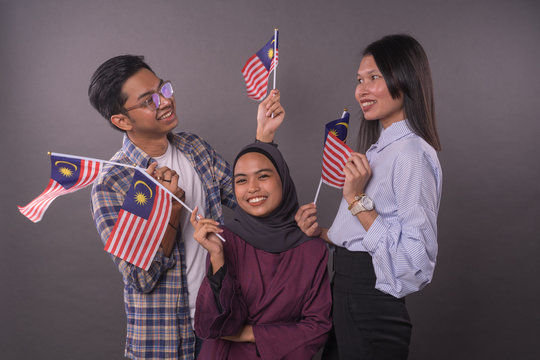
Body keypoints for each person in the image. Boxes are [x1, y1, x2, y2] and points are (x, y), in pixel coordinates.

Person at [88, 55, 284, 360]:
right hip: (163, 339)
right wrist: (170, 212)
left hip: (220, 325)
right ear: (122, 120)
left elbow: (251, 202)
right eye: (149, 100)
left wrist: (264, 137)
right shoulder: (114, 183)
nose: (165, 102)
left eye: (163, 89)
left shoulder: (195, 148)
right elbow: (142, 278)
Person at [295, 34, 442, 359]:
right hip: (343, 292)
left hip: (372, 303)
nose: (361, 90)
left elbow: (415, 263)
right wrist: (322, 234)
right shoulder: (379, 151)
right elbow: (363, 237)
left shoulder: (411, 153)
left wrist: (356, 199)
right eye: (359, 80)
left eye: (374, 77)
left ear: (404, 79)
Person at [190, 142, 332, 359]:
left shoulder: (312, 249)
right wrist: (217, 257)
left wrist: (250, 333)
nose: (252, 188)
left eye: (263, 176)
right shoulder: (222, 239)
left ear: (283, 180)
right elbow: (214, 325)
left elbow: (317, 330)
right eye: (241, 180)